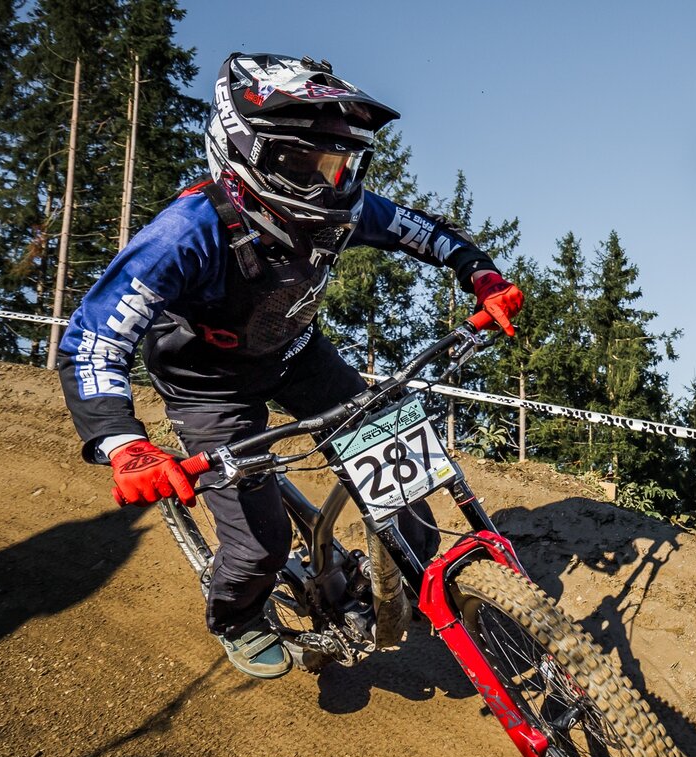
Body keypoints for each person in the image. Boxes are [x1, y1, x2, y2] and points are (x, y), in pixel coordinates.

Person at [56, 52, 523, 679]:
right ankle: (237, 619)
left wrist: (481, 274)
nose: (330, 180)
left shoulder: (343, 208)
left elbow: (420, 230)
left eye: (341, 161)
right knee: (259, 546)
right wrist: (124, 443)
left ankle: (419, 577)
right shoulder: (187, 233)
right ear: (245, 150)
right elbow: (92, 339)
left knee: (407, 482)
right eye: (306, 160)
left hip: (300, 355)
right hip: (208, 388)